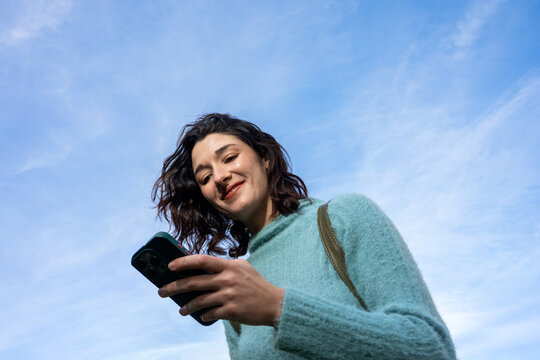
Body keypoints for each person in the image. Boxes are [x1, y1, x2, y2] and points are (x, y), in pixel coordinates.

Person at [152, 113, 456, 359]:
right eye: (205, 177)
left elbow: (431, 348)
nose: (219, 176)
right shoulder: (235, 286)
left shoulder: (344, 217)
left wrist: (279, 308)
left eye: (229, 157)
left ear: (264, 158)